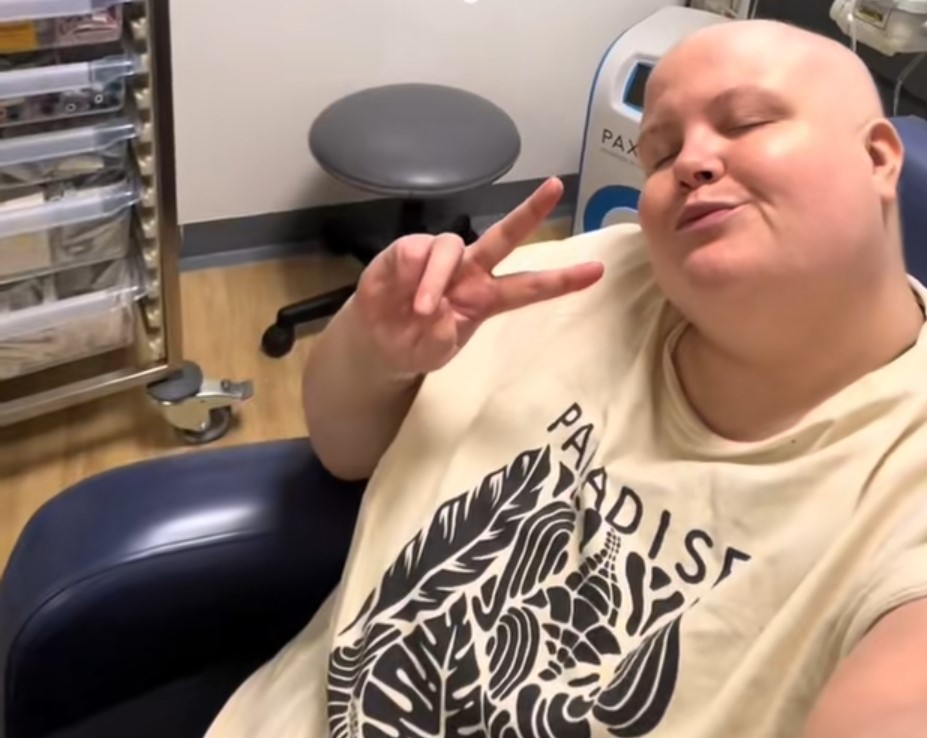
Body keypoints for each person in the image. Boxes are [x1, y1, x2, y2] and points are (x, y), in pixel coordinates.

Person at [206, 18, 927, 738]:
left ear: (875, 158)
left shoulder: (902, 475)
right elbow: (344, 447)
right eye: (660, 152)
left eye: (745, 122)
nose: (690, 163)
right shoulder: (584, 278)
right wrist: (374, 352)